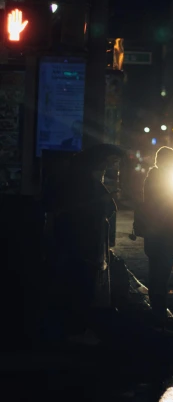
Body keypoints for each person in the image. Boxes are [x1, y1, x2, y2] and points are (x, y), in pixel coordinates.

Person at [46, 144, 123, 344]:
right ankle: (77, 330)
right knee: (82, 285)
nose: (108, 169)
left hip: (73, 240)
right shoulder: (88, 184)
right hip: (85, 242)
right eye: (107, 164)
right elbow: (107, 208)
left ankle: (72, 328)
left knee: (73, 283)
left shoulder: (72, 180)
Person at [143, 146, 173, 326]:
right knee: (161, 279)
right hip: (166, 238)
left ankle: (156, 314)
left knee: (155, 277)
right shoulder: (167, 183)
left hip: (153, 236)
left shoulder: (151, 179)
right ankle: (159, 318)